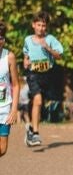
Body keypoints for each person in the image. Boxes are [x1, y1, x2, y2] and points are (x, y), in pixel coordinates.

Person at [23, 11, 64, 147]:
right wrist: (26, 61)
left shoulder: (50, 39)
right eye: (39, 25)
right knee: (38, 100)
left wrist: (48, 48)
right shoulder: (28, 40)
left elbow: (59, 56)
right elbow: (26, 55)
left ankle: (30, 129)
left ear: (46, 26)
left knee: (39, 105)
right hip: (33, 74)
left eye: (44, 25)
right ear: (33, 25)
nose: (41, 28)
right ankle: (35, 134)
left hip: (47, 75)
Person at [0, 22, 21, 159]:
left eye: (1, 38)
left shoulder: (9, 57)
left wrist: (14, 110)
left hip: (4, 109)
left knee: (2, 149)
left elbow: (16, 85)